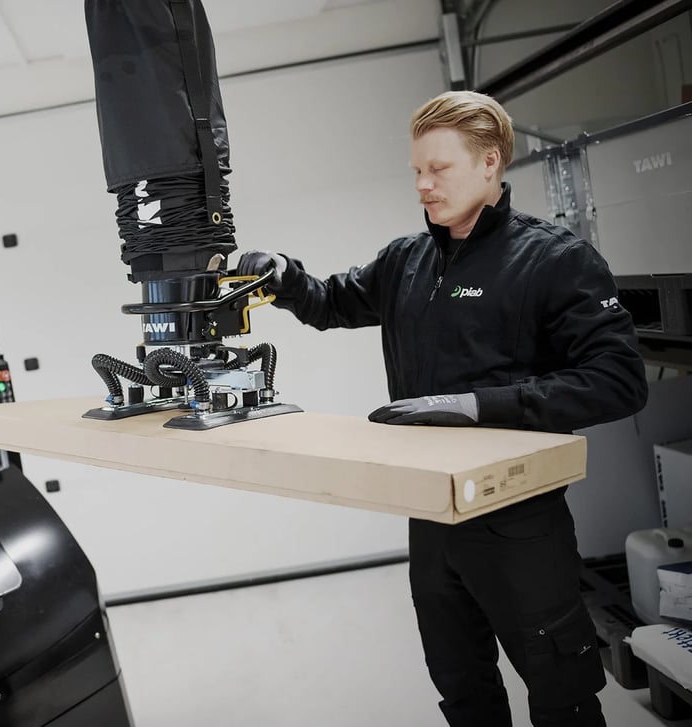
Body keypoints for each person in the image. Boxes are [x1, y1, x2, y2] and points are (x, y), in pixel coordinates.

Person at [238, 91, 649, 727]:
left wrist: (478, 407)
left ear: (490, 163)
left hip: (519, 521)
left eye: (440, 169)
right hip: (431, 515)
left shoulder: (554, 260)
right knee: (463, 693)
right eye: (417, 172)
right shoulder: (407, 260)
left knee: (561, 695)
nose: (424, 186)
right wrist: (284, 275)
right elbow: (333, 302)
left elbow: (618, 380)